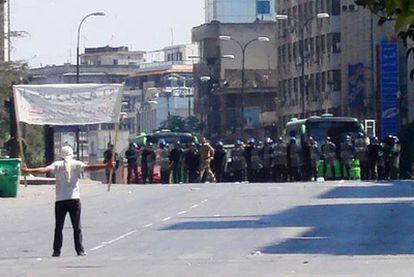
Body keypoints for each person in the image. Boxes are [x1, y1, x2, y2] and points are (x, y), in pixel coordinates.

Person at [22, 146, 114, 257]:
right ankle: (79, 250)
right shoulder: (77, 164)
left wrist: (29, 171)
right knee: (77, 226)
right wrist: (106, 166)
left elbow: (44, 170)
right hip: (74, 199)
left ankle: (56, 251)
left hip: (61, 200)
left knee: (59, 227)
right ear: (72, 154)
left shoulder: (57, 164)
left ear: (61, 155)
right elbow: (90, 168)